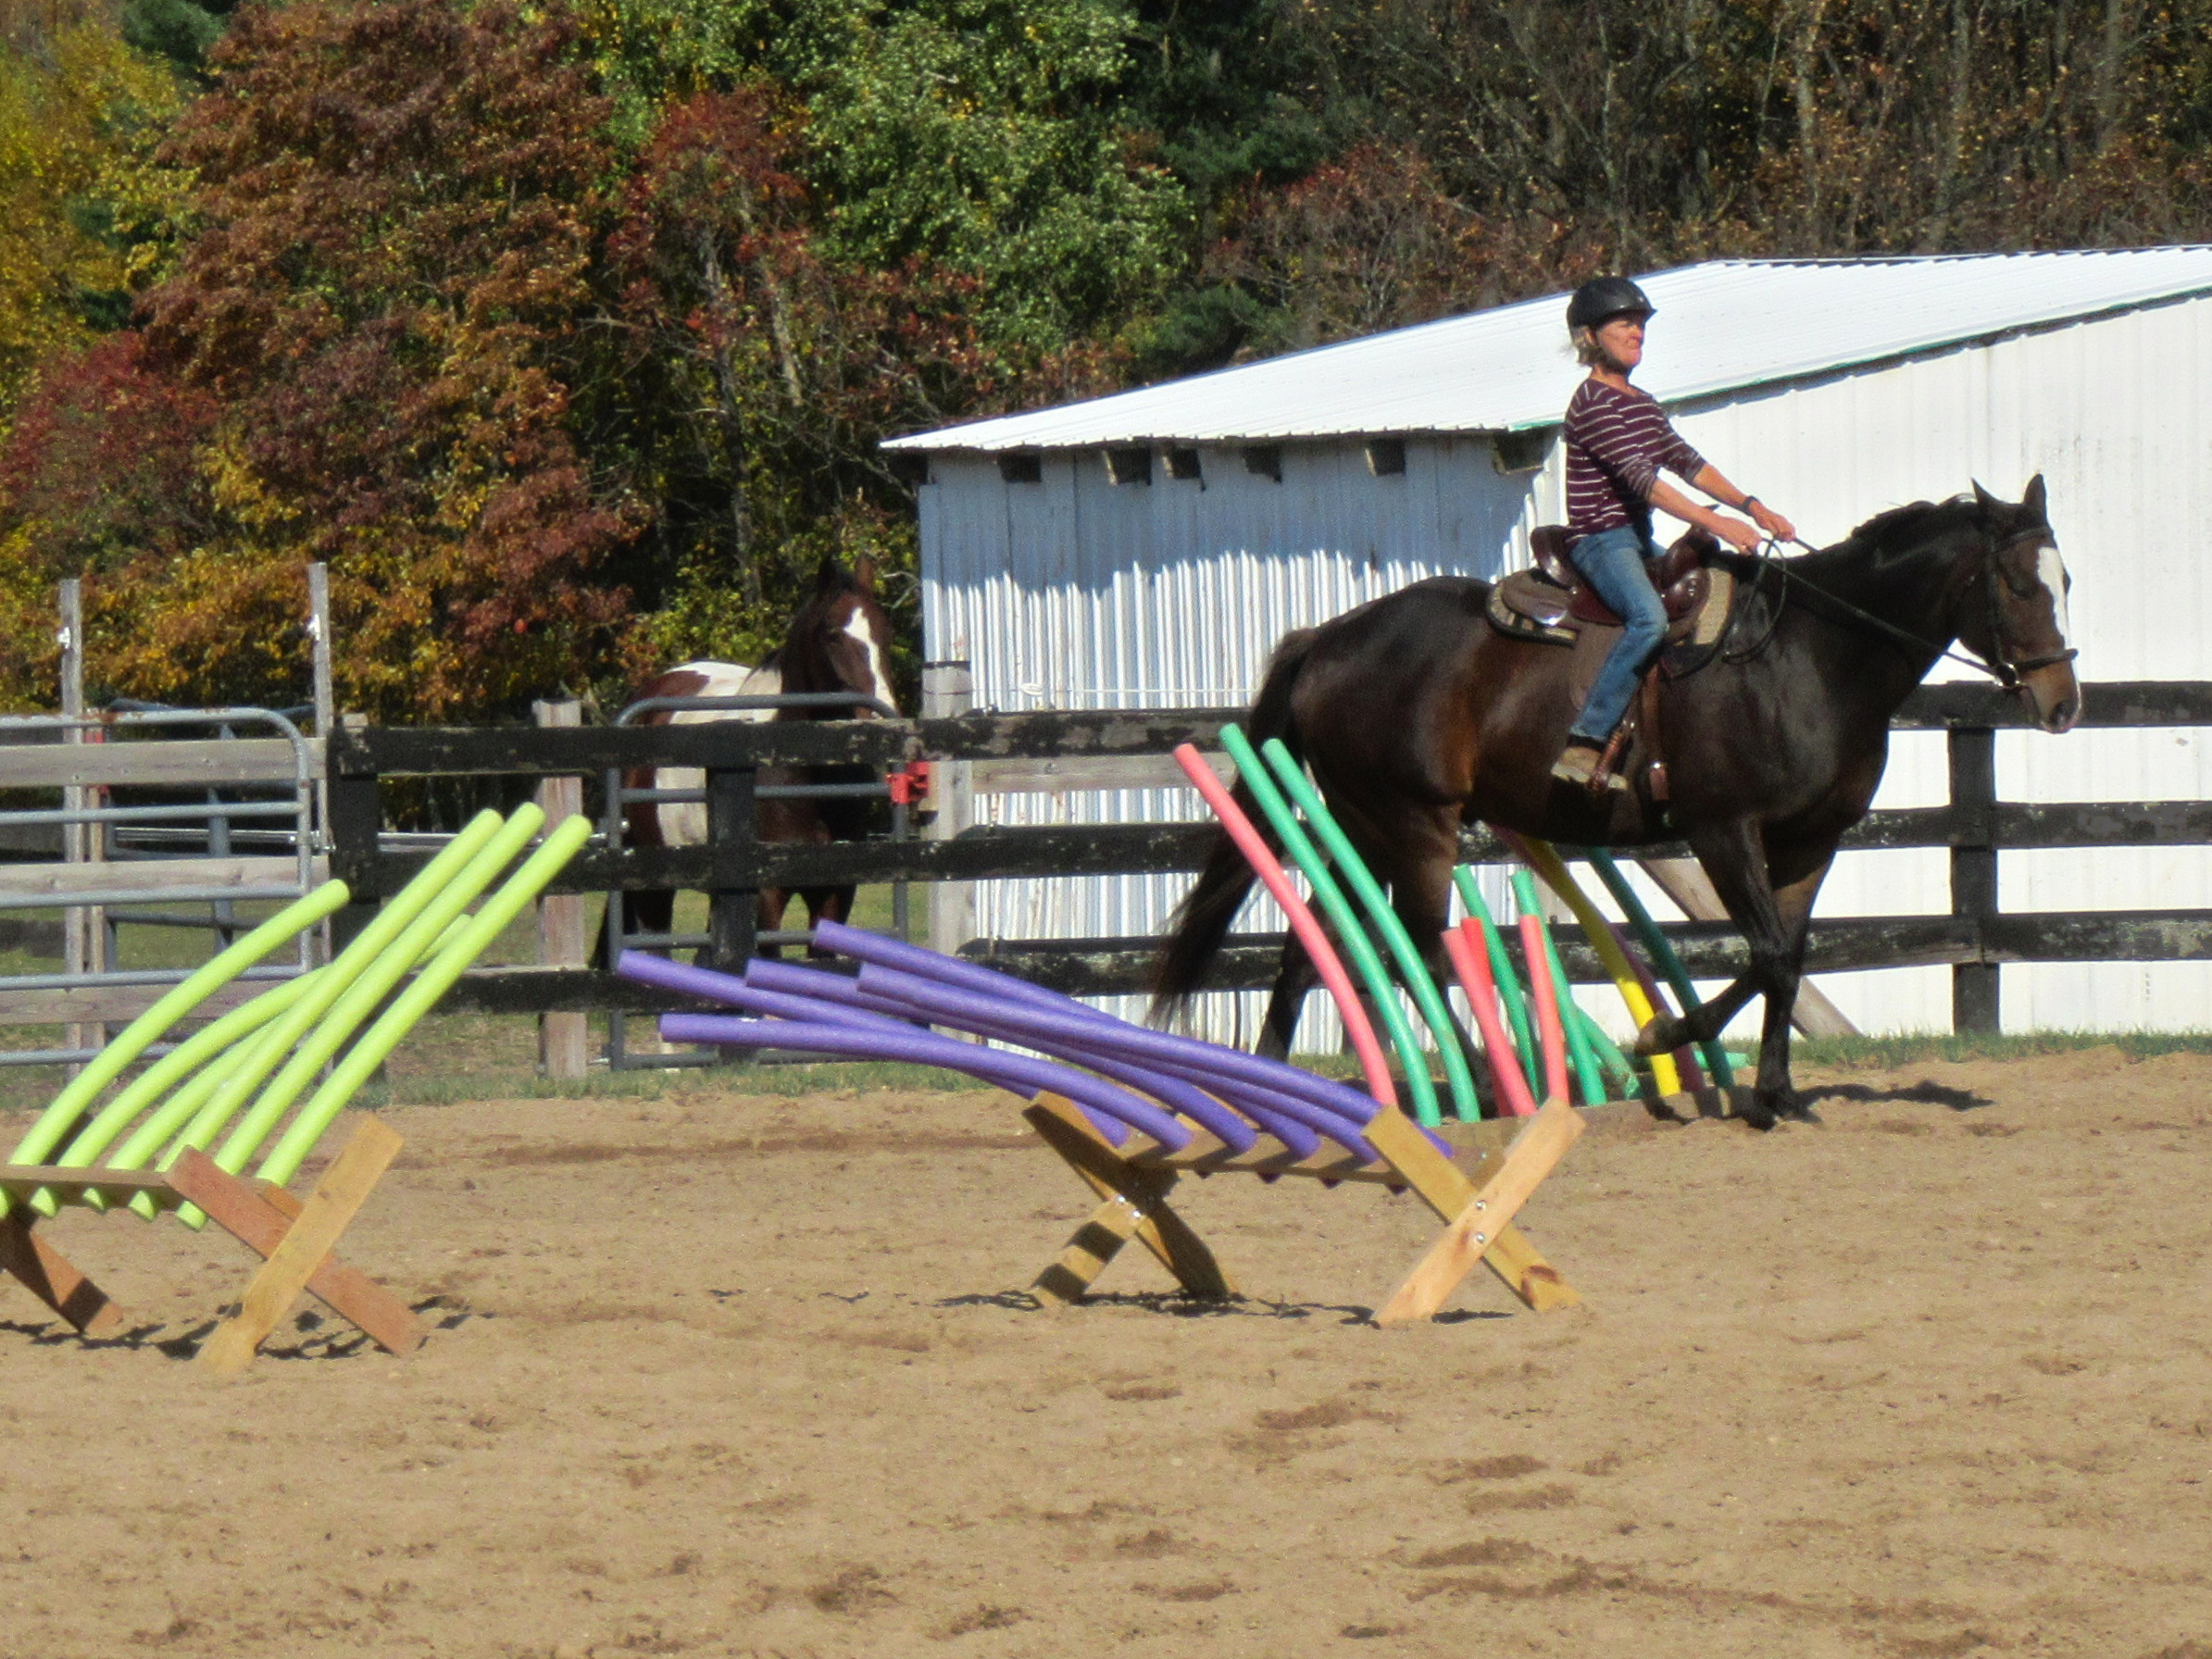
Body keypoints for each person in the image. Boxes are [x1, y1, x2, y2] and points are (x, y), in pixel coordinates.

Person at [1550, 276, 1796, 790]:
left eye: (1640, 323)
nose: (1637, 333)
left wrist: (1754, 508)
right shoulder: (1592, 403)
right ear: (1589, 337)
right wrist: (1718, 523)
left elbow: (1687, 463)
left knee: (1715, 597)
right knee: (1649, 619)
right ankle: (1586, 739)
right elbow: (1645, 481)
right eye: (1624, 323)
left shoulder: (1641, 402)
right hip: (1601, 540)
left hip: (1638, 538)